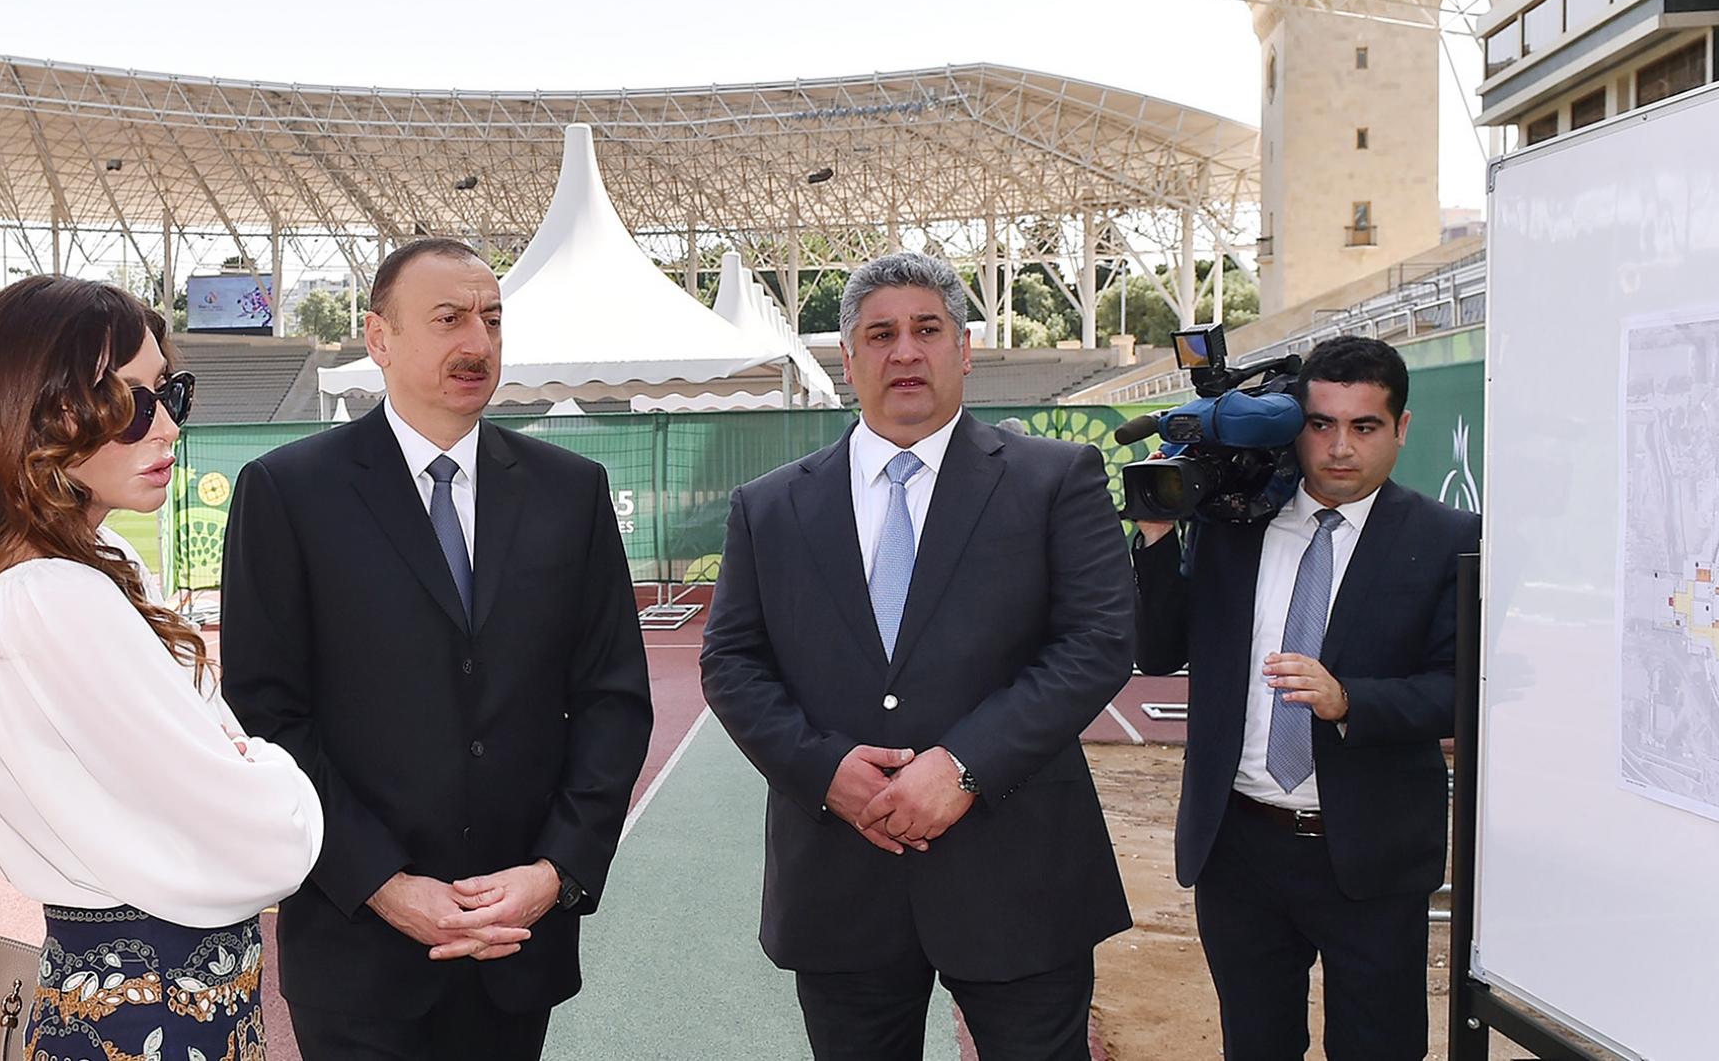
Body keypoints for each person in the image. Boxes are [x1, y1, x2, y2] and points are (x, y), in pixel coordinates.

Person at [220, 237, 653, 1061]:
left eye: (492, 320)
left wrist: (554, 873)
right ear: (379, 338)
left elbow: (613, 699)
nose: (478, 343)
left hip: (514, 942)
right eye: (450, 318)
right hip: (358, 952)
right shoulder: (288, 492)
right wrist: (382, 885)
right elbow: (267, 716)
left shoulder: (571, 492)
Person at [700, 251, 1134, 1061]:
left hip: (1018, 874)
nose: (905, 352)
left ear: (963, 349)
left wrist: (963, 765)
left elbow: (1098, 642)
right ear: (849, 357)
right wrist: (824, 772)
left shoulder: (1053, 479)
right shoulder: (770, 507)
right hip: (843, 875)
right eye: (881, 334)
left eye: (927, 330)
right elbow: (731, 662)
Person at [0, 276, 321, 1061]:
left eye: (168, 394)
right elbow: (271, 843)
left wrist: (236, 764)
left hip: (141, 1001)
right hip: (158, 1011)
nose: (166, 430)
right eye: (128, 403)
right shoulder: (52, 597)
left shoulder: (76, 569)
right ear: (42, 411)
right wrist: (271, 773)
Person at [1131, 334, 1478, 1060]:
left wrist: (1350, 699)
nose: (1340, 448)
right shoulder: (1234, 527)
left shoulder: (1449, 538)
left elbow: (1457, 693)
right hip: (1239, 849)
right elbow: (1159, 651)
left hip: (1371, 856)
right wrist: (1159, 535)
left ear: (1401, 429)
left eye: (1365, 426)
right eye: (1321, 425)